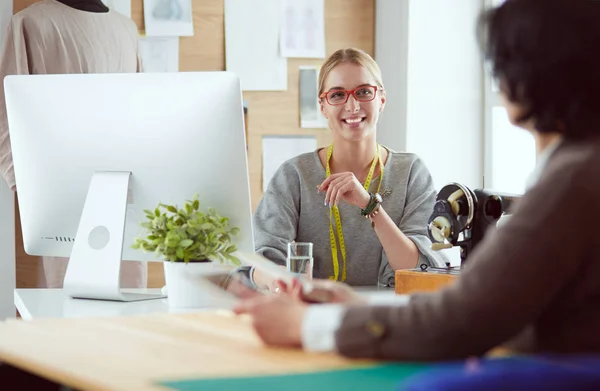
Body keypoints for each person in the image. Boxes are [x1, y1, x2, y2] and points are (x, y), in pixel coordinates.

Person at [235, 0, 600, 360]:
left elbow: (463, 318)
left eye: (500, 62)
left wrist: (310, 325)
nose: (497, 78)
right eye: (338, 95)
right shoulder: (579, 171)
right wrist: (356, 308)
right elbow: (498, 315)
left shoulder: (571, 183)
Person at [250, 48, 449, 288]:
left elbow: (416, 268)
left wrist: (370, 206)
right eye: (337, 95)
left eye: (364, 92)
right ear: (323, 106)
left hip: (388, 318)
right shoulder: (294, 175)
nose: (353, 106)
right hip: (313, 316)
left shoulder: (410, 173)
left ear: (382, 99)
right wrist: (283, 279)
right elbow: (259, 261)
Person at [0, 0, 147, 288]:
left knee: (127, 295)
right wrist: (24, 182)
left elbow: (142, 107)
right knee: (66, 296)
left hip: (126, 187)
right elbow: (5, 110)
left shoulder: (126, 29)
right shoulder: (31, 24)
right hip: (62, 189)